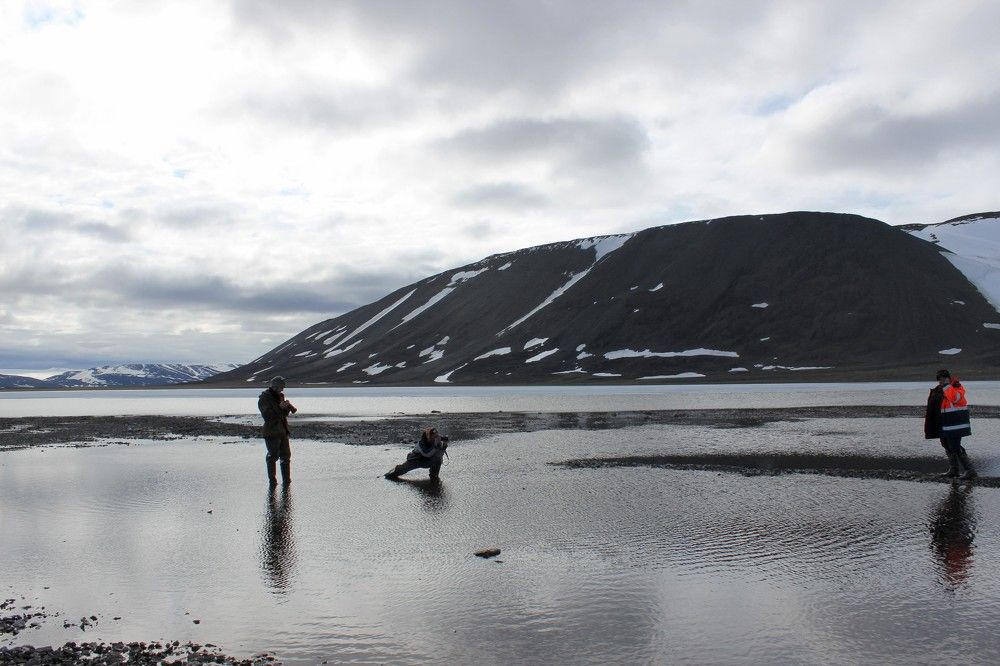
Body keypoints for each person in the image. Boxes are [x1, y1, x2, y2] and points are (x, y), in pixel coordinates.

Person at [924, 368, 975, 480]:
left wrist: (947, 385)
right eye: (939, 379)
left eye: (943, 379)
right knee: (946, 445)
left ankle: (970, 470)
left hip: (955, 424)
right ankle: (954, 470)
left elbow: (953, 398)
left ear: (948, 378)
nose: (941, 381)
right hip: (944, 424)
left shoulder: (957, 388)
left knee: (955, 446)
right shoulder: (939, 389)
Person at [258, 376, 297, 485]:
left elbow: (282, 415)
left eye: (283, 387)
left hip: (282, 431)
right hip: (271, 432)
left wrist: (286, 408)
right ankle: (272, 481)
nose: (282, 390)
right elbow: (267, 416)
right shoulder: (264, 398)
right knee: (273, 455)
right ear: (274, 386)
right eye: (281, 387)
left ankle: (286, 481)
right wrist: (280, 407)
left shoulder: (280, 396)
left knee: (286, 456)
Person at [385, 427, 449, 480]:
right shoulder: (421, 444)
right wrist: (435, 446)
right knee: (398, 471)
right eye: (433, 437)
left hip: (429, 461)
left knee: (438, 459)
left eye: (436, 436)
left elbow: (439, 455)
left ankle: (434, 476)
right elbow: (427, 454)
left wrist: (444, 446)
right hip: (416, 460)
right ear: (428, 437)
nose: (435, 438)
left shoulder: (437, 442)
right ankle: (388, 474)